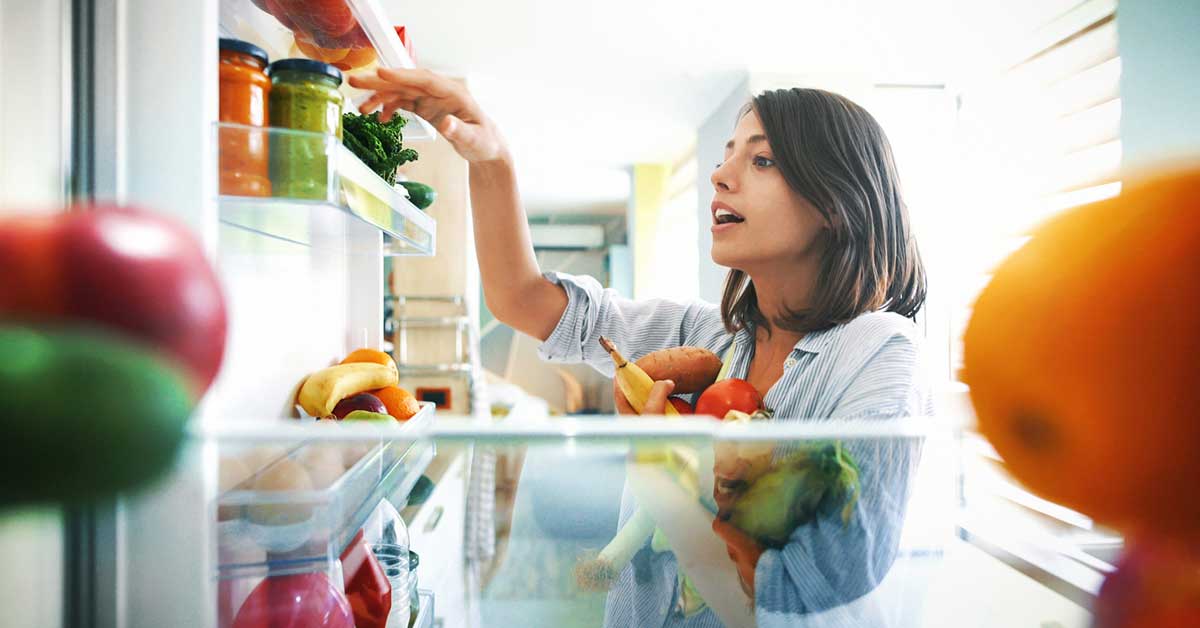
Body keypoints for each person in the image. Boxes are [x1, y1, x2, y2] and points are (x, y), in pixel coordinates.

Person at [351, 68, 932, 626]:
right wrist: (492, 156)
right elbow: (522, 299)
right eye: (726, 153)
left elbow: (805, 598)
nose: (721, 174)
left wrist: (660, 472)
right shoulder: (706, 338)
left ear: (835, 202)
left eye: (761, 159)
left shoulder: (880, 355)